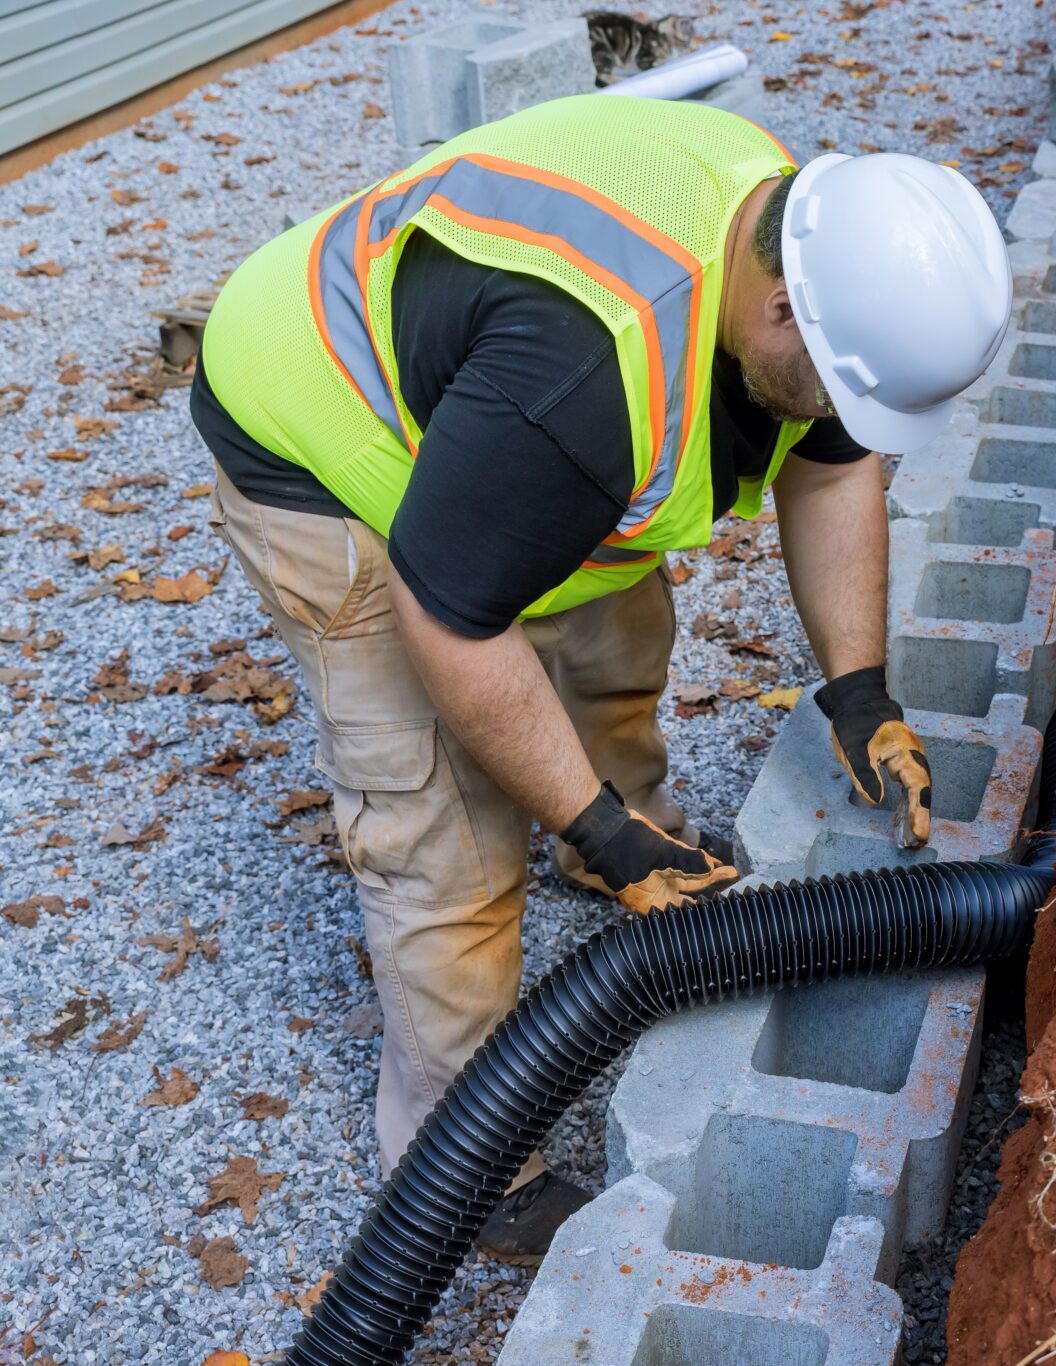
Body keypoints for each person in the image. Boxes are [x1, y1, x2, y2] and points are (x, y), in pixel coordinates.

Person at [188, 94, 1011, 1261]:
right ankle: (459, 1159)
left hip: (501, 409)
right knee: (446, 836)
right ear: (779, 313)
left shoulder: (806, 241)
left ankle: (621, 849)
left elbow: (830, 475)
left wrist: (860, 689)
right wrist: (578, 811)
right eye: (838, 387)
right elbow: (455, 621)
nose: (840, 417)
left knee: (613, 634)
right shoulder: (582, 378)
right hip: (322, 432)